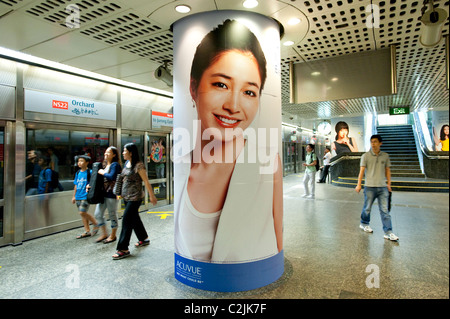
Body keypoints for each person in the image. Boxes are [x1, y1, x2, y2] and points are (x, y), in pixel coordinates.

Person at [174, 19, 283, 263]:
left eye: (249, 92)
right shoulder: (180, 166)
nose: (233, 106)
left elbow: (277, 245)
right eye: (221, 84)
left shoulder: (267, 164)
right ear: (193, 87)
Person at [112, 143, 157, 260]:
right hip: (126, 197)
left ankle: (123, 249)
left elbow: (146, 181)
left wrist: (152, 196)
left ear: (131, 153)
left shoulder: (139, 166)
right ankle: (144, 238)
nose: (122, 153)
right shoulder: (127, 164)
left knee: (126, 221)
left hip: (135, 198)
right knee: (134, 218)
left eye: (124, 151)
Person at [355, 135, 399, 241]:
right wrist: (359, 184)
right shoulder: (365, 156)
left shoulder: (385, 156)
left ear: (380, 143)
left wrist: (389, 184)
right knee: (367, 208)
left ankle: (388, 232)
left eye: (375, 142)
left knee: (385, 210)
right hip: (369, 187)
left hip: (382, 187)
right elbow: (361, 171)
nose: (373, 144)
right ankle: (364, 223)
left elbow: (388, 170)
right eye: (371, 142)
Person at [93, 146, 122, 244]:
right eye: (105, 152)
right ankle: (104, 233)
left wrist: (102, 173)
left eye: (108, 153)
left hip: (111, 193)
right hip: (103, 193)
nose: (106, 154)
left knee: (112, 214)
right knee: (98, 214)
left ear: (114, 155)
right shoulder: (105, 165)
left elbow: (112, 177)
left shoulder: (115, 165)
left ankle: (113, 235)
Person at [72, 155, 98, 239]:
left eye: (82, 161)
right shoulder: (77, 173)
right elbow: (76, 185)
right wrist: (74, 196)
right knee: (83, 215)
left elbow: (93, 183)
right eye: (78, 161)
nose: (79, 163)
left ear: (87, 162)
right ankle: (87, 231)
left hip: (85, 196)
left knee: (82, 212)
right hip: (78, 196)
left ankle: (96, 223)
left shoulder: (89, 172)